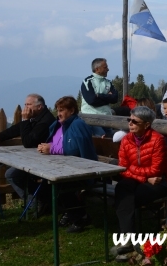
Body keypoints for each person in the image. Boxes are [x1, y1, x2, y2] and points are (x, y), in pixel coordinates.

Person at [111, 106, 167, 257]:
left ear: (147, 124)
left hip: (159, 182)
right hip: (141, 180)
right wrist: (144, 177)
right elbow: (122, 167)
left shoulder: (157, 140)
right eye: (129, 120)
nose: (130, 124)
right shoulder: (126, 139)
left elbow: (156, 171)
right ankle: (129, 239)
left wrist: (133, 171)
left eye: (134, 121)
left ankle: (126, 239)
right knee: (123, 188)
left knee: (124, 197)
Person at [37, 96, 98, 233]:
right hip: (67, 167)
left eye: (62, 110)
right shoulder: (61, 124)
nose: (58, 114)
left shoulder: (77, 125)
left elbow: (76, 149)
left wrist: (51, 149)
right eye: (58, 110)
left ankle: (79, 218)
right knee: (45, 182)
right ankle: (70, 213)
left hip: (85, 170)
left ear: (71, 110)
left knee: (61, 184)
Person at [0, 94, 55, 210]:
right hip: (37, 157)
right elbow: (19, 128)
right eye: (25, 104)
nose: (25, 108)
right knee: (16, 174)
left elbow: (28, 142)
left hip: (48, 161)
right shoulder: (37, 117)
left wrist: (25, 119)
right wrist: (0, 136)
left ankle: (36, 203)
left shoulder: (46, 121)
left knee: (12, 174)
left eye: (28, 104)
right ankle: (39, 201)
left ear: (39, 107)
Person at [81, 58, 118, 137]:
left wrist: (99, 96)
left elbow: (115, 99)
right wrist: (108, 97)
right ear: (97, 69)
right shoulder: (88, 81)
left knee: (113, 139)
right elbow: (91, 100)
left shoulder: (108, 83)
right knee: (102, 138)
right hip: (92, 119)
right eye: (105, 67)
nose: (108, 69)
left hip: (107, 118)